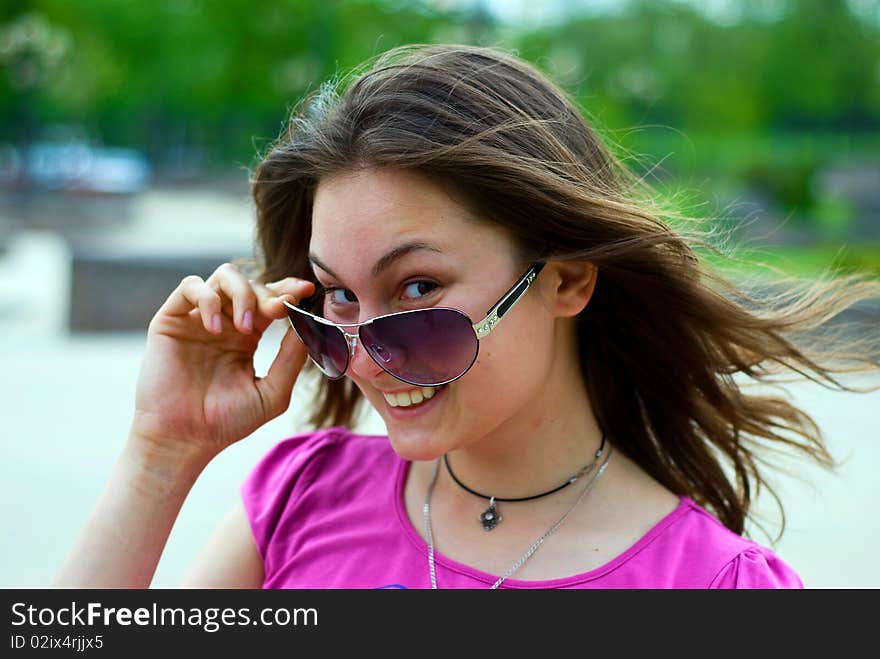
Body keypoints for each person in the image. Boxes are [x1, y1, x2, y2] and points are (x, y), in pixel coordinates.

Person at [56, 43, 879, 589]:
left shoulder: (712, 584)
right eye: (337, 298)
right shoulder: (301, 499)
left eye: (417, 291)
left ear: (566, 280)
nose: (369, 358)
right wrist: (159, 456)